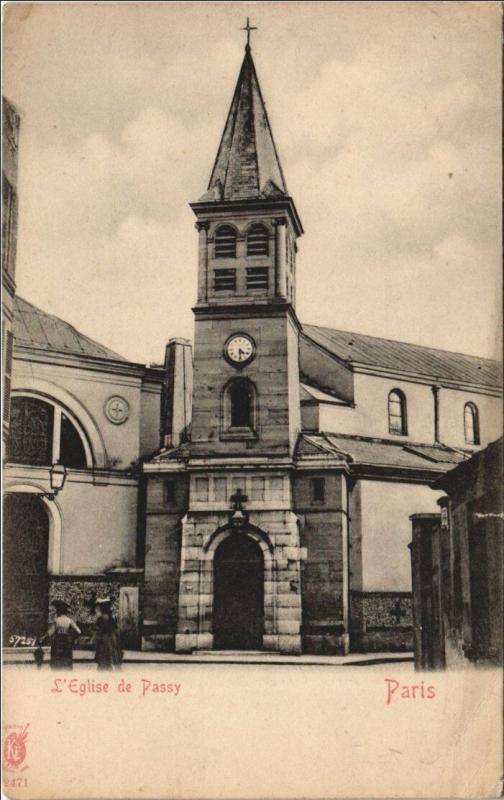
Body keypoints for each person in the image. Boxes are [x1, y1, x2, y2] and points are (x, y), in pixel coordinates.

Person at [48, 600, 81, 669]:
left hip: (58, 642)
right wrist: (72, 638)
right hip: (67, 641)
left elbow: (50, 633)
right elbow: (79, 631)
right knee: (66, 659)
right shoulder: (69, 620)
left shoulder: (57, 620)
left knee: (57, 660)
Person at [94, 598, 122, 670]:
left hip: (104, 639)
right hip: (112, 639)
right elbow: (116, 630)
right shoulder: (111, 618)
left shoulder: (100, 618)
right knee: (111, 655)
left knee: (103, 655)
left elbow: (98, 630)